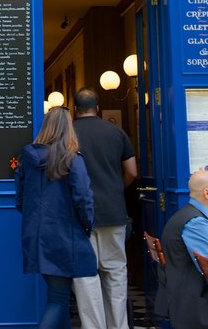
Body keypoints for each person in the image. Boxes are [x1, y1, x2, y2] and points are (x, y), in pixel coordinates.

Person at [16, 106, 97, 329]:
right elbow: (83, 198)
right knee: (59, 299)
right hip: (64, 236)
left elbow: (20, 199)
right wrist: (87, 226)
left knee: (57, 294)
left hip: (35, 236)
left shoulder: (28, 158)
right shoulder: (72, 158)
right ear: (67, 128)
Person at [71, 87, 138, 329]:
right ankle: (119, 326)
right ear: (97, 108)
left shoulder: (69, 134)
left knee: (86, 276)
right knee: (116, 273)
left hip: (80, 215)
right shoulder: (116, 132)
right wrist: (116, 189)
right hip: (114, 212)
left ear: (75, 109)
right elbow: (132, 171)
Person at [155, 170, 208, 329]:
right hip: (193, 304)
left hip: (178, 296)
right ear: (207, 193)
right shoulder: (196, 223)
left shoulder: (184, 215)